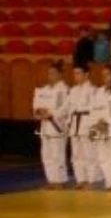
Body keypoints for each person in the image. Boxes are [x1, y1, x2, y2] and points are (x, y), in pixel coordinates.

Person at [34, 61, 70, 189]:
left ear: (60, 75)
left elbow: (65, 108)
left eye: (53, 73)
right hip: (44, 125)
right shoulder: (43, 90)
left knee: (57, 154)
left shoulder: (64, 89)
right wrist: (39, 111)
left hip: (57, 125)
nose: (50, 76)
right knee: (46, 154)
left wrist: (50, 113)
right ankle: (51, 180)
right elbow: (36, 105)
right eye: (49, 73)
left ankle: (60, 181)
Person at [66, 65, 100, 189]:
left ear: (86, 75)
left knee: (90, 153)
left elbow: (95, 110)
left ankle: (93, 180)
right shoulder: (73, 90)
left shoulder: (93, 90)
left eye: (79, 73)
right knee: (76, 154)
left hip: (87, 123)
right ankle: (81, 179)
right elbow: (69, 109)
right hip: (75, 124)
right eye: (74, 73)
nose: (76, 76)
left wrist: (93, 128)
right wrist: (69, 123)